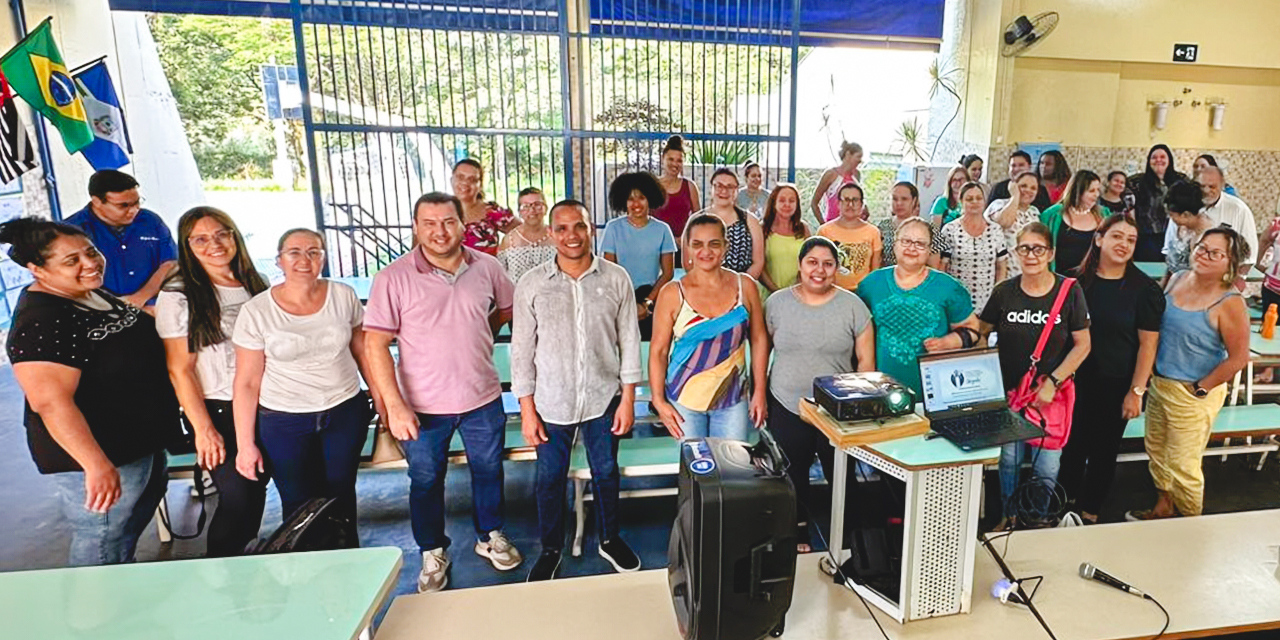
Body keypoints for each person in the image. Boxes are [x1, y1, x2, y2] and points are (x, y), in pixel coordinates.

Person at [363, 192, 520, 593]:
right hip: (422, 407)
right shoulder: (392, 278)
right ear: (416, 227)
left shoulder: (487, 266)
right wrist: (394, 407)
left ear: (462, 224)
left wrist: (482, 333)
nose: (439, 231)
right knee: (426, 480)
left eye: (448, 222)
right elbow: (375, 344)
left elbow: (506, 309)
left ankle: (490, 535)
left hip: (482, 397)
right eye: (429, 223)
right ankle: (432, 550)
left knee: (489, 471)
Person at [5, 217, 179, 566]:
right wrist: (95, 465)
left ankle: (118, 591)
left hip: (137, 440)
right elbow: (50, 402)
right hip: (101, 451)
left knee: (124, 530)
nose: (90, 263)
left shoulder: (89, 293)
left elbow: (133, 320)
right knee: (100, 536)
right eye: (72, 261)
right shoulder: (42, 321)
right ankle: (91, 618)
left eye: (91, 251)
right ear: (37, 269)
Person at [513, 200, 643, 582]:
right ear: (551, 233)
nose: (572, 236)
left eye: (580, 227)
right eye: (563, 228)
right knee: (549, 478)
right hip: (550, 401)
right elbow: (521, 349)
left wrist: (629, 399)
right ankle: (551, 549)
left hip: (604, 398)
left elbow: (630, 340)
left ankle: (610, 538)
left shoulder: (616, 278)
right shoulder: (532, 283)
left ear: (592, 230)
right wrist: (527, 409)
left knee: (605, 472)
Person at [232, 229, 374, 551]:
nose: (305, 259)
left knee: (341, 492)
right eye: (294, 252)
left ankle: (346, 560)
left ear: (323, 257)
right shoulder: (257, 311)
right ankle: (304, 565)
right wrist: (245, 445)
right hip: (284, 420)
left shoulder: (343, 296)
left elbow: (363, 351)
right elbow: (247, 382)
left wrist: (383, 399)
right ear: (280, 260)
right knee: (297, 501)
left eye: (314, 251)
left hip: (344, 411)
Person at [155, 207, 270, 557]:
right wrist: (203, 428)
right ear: (187, 246)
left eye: (222, 234)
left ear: (235, 236)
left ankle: (243, 574)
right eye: (201, 239)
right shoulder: (178, 295)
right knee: (237, 499)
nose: (214, 244)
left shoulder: (256, 283)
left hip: (264, 406)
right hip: (220, 410)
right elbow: (180, 370)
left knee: (255, 494)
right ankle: (222, 572)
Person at [1128, 228, 1250, 521]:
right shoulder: (1180, 277)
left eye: (1215, 253)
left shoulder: (1230, 302)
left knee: (1184, 464)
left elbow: (1238, 358)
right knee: (1157, 450)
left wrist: (1200, 388)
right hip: (1160, 384)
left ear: (1230, 263)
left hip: (1192, 393)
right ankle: (1163, 506)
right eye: (1201, 247)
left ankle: (1191, 523)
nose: (1203, 255)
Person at [978, 222, 1091, 528]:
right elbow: (981, 333)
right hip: (1010, 395)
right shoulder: (1004, 293)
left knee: (1047, 467)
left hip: (1049, 397)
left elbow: (1083, 345)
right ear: (1016, 252)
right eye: (1024, 248)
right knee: (1010, 462)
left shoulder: (1069, 291)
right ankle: (1009, 516)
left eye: (1038, 248)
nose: (1031, 255)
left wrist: (1053, 382)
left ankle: (1039, 518)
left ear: (1051, 252)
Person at [765, 236, 874, 551]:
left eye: (828, 264)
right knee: (790, 473)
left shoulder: (853, 306)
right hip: (787, 402)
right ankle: (795, 530)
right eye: (812, 262)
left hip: (836, 409)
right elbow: (763, 349)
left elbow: (866, 361)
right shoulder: (777, 303)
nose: (820, 270)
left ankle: (847, 533)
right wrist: (759, 393)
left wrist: (862, 405)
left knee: (841, 474)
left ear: (836, 268)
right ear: (800, 266)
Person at [1058, 214, 1164, 524]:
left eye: (1131, 240)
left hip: (1116, 383)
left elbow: (1148, 345)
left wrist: (1137, 391)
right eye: (1117, 237)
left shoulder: (1144, 289)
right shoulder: (1073, 282)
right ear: (1100, 239)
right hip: (1075, 381)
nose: (1124, 245)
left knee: (1103, 451)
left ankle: (1090, 512)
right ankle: (1063, 505)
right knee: (1071, 447)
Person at [649, 214, 768, 442]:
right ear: (688, 249)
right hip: (684, 399)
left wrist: (759, 391)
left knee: (732, 470)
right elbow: (659, 351)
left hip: (733, 399)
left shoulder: (745, 286)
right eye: (697, 244)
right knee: (696, 472)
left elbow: (759, 340)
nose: (706, 251)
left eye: (714, 244)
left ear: (725, 246)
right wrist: (658, 400)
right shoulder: (673, 293)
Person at [856, 218, 979, 398]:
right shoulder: (871, 284)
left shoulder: (949, 287)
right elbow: (856, 332)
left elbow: (973, 330)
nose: (912, 248)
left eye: (920, 244)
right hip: (880, 388)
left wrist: (947, 343)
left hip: (935, 389)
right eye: (906, 241)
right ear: (894, 244)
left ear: (930, 250)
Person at [64, 170, 177, 309]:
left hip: (155, 308)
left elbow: (170, 263)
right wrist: (113, 307)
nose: (133, 210)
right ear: (97, 201)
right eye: (123, 206)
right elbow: (66, 279)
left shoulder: (151, 221)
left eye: (137, 203)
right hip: (96, 311)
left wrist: (140, 298)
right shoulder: (70, 231)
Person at [602, 171, 676, 340]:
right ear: (623, 201)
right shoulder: (613, 228)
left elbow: (668, 273)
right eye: (630, 199)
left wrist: (647, 303)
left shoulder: (663, 229)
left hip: (652, 298)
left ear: (650, 198)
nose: (636, 203)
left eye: (641, 197)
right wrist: (626, 305)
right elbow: (608, 271)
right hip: (619, 299)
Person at [940, 182, 1008, 311]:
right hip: (957, 301)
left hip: (987, 302)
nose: (974, 202)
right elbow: (942, 267)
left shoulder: (995, 230)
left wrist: (997, 295)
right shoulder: (950, 229)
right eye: (969, 199)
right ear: (961, 202)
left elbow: (1001, 267)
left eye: (979, 198)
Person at [697, 167, 764, 279]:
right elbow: (688, 261)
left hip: (740, 289)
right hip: (703, 287)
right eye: (719, 186)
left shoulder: (750, 221)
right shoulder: (697, 220)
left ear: (737, 190)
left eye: (730, 187)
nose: (724, 191)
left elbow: (758, 262)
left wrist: (740, 286)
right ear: (712, 188)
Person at [1127, 144, 1186, 262]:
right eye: (1154, 157)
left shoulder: (1181, 180)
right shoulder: (1136, 182)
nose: (1158, 160)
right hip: (1146, 237)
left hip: (1175, 235)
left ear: (1169, 160)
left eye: (1162, 157)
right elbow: (1128, 203)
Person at [818, 183, 882, 290]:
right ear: (838, 204)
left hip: (863, 291)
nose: (850, 205)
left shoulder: (873, 232)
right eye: (846, 200)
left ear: (862, 204)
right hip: (831, 290)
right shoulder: (824, 231)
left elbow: (875, 270)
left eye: (855, 200)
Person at [1040, 170, 1105, 275]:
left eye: (1098, 190)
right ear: (1078, 192)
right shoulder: (1052, 214)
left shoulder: (1104, 215)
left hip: (1091, 279)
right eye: (1091, 191)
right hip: (1057, 278)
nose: (1096, 195)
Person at [452, 158, 520, 256]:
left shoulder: (492, 212)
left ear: (480, 185)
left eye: (472, 179)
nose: (465, 183)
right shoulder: (438, 212)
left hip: (487, 270)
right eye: (460, 177)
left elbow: (524, 233)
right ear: (452, 180)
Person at [1196, 166, 1257, 269]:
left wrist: (1235, 281)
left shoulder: (1239, 209)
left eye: (1212, 186)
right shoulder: (1189, 206)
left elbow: (1249, 257)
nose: (1206, 190)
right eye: (1202, 186)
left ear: (1222, 185)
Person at [984, 170, 1042, 278]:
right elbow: (1005, 222)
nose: (1028, 190)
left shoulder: (1035, 212)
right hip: (999, 273)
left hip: (1025, 274)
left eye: (1033, 188)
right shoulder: (999, 204)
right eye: (1023, 186)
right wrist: (1015, 197)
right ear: (1013, 186)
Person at [496, 187, 556, 283]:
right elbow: (500, 277)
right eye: (526, 206)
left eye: (537, 205)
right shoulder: (509, 241)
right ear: (519, 212)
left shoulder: (557, 237)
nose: (532, 210)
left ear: (546, 208)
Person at [760, 183, 810, 292]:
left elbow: (809, 261)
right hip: (769, 293)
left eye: (792, 201)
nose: (787, 204)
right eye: (782, 200)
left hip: (799, 293)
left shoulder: (803, 229)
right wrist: (776, 291)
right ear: (774, 203)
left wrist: (795, 288)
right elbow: (760, 267)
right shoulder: (763, 229)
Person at [879, 182, 941, 268]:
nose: (899, 203)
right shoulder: (883, 226)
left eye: (904, 199)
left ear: (914, 200)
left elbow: (934, 265)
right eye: (895, 199)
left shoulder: (929, 228)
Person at [653, 135, 701, 243]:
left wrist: (683, 239)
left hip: (682, 247)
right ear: (662, 159)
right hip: (655, 245)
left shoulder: (690, 187)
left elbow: (697, 219)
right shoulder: (651, 186)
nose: (675, 164)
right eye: (670, 159)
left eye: (679, 160)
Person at [1162, 181, 1214, 276]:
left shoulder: (1209, 235)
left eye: (1172, 215)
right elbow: (1170, 267)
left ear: (1186, 214)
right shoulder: (1178, 226)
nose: (1170, 218)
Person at [812, 141, 864, 223]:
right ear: (848, 155)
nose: (860, 161)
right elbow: (814, 203)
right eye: (858, 157)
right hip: (833, 225)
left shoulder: (857, 174)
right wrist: (823, 225)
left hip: (853, 226)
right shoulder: (831, 174)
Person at [987, 150, 1052, 211]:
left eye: (1021, 165)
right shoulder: (999, 188)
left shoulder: (1040, 190)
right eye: (1013, 165)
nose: (1017, 169)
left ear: (1029, 167)